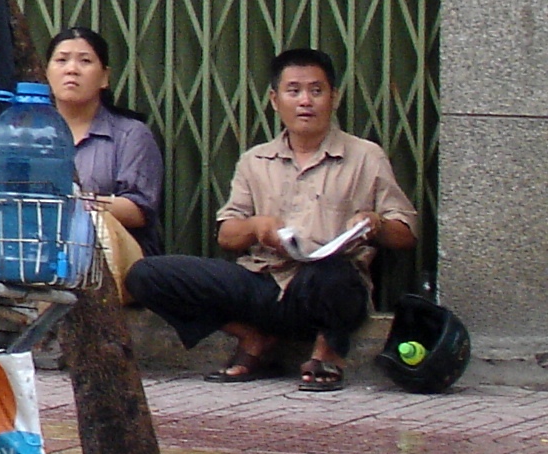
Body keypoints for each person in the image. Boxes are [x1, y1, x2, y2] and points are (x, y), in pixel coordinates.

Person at [125, 48, 419, 392]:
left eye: (316, 91)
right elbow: (227, 234)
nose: (305, 101)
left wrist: (375, 224)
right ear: (275, 100)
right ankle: (254, 338)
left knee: (336, 274)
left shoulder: (365, 156)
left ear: (334, 98)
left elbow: (406, 233)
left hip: (324, 288)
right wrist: (257, 228)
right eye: (294, 91)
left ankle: (327, 352)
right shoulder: (256, 160)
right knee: (146, 275)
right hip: (264, 281)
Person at [43, 25, 162, 232]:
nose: (71, 69)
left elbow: (139, 210)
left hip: (106, 247)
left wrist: (77, 204)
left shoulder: (131, 135)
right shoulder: (32, 133)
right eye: (61, 60)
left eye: (85, 61)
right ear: (46, 73)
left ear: (104, 77)